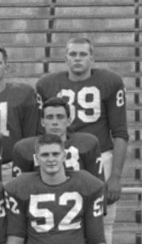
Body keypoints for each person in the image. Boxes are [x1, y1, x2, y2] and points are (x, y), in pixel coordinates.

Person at [33, 37, 130, 204]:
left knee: (102, 220)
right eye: (73, 54)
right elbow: (40, 131)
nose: (77, 58)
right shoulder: (46, 85)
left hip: (98, 156)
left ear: (92, 58)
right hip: (59, 155)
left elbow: (120, 132)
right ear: (66, 58)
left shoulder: (110, 82)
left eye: (83, 54)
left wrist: (115, 176)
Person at [5, 134, 107, 244]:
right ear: (37, 158)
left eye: (55, 154)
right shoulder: (21, 186)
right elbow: (16, 238)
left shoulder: (88, 184)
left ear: (64, 156)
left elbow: (96, 239)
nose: (50, 159)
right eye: (45, 155)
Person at [7, 97, 108, 180]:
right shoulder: (25, 148)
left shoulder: (88, 144)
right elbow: (19, 187)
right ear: (42, 122)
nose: (55, 122)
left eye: (60, 117)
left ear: (68, 121)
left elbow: (97, 184)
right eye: (50, 117)